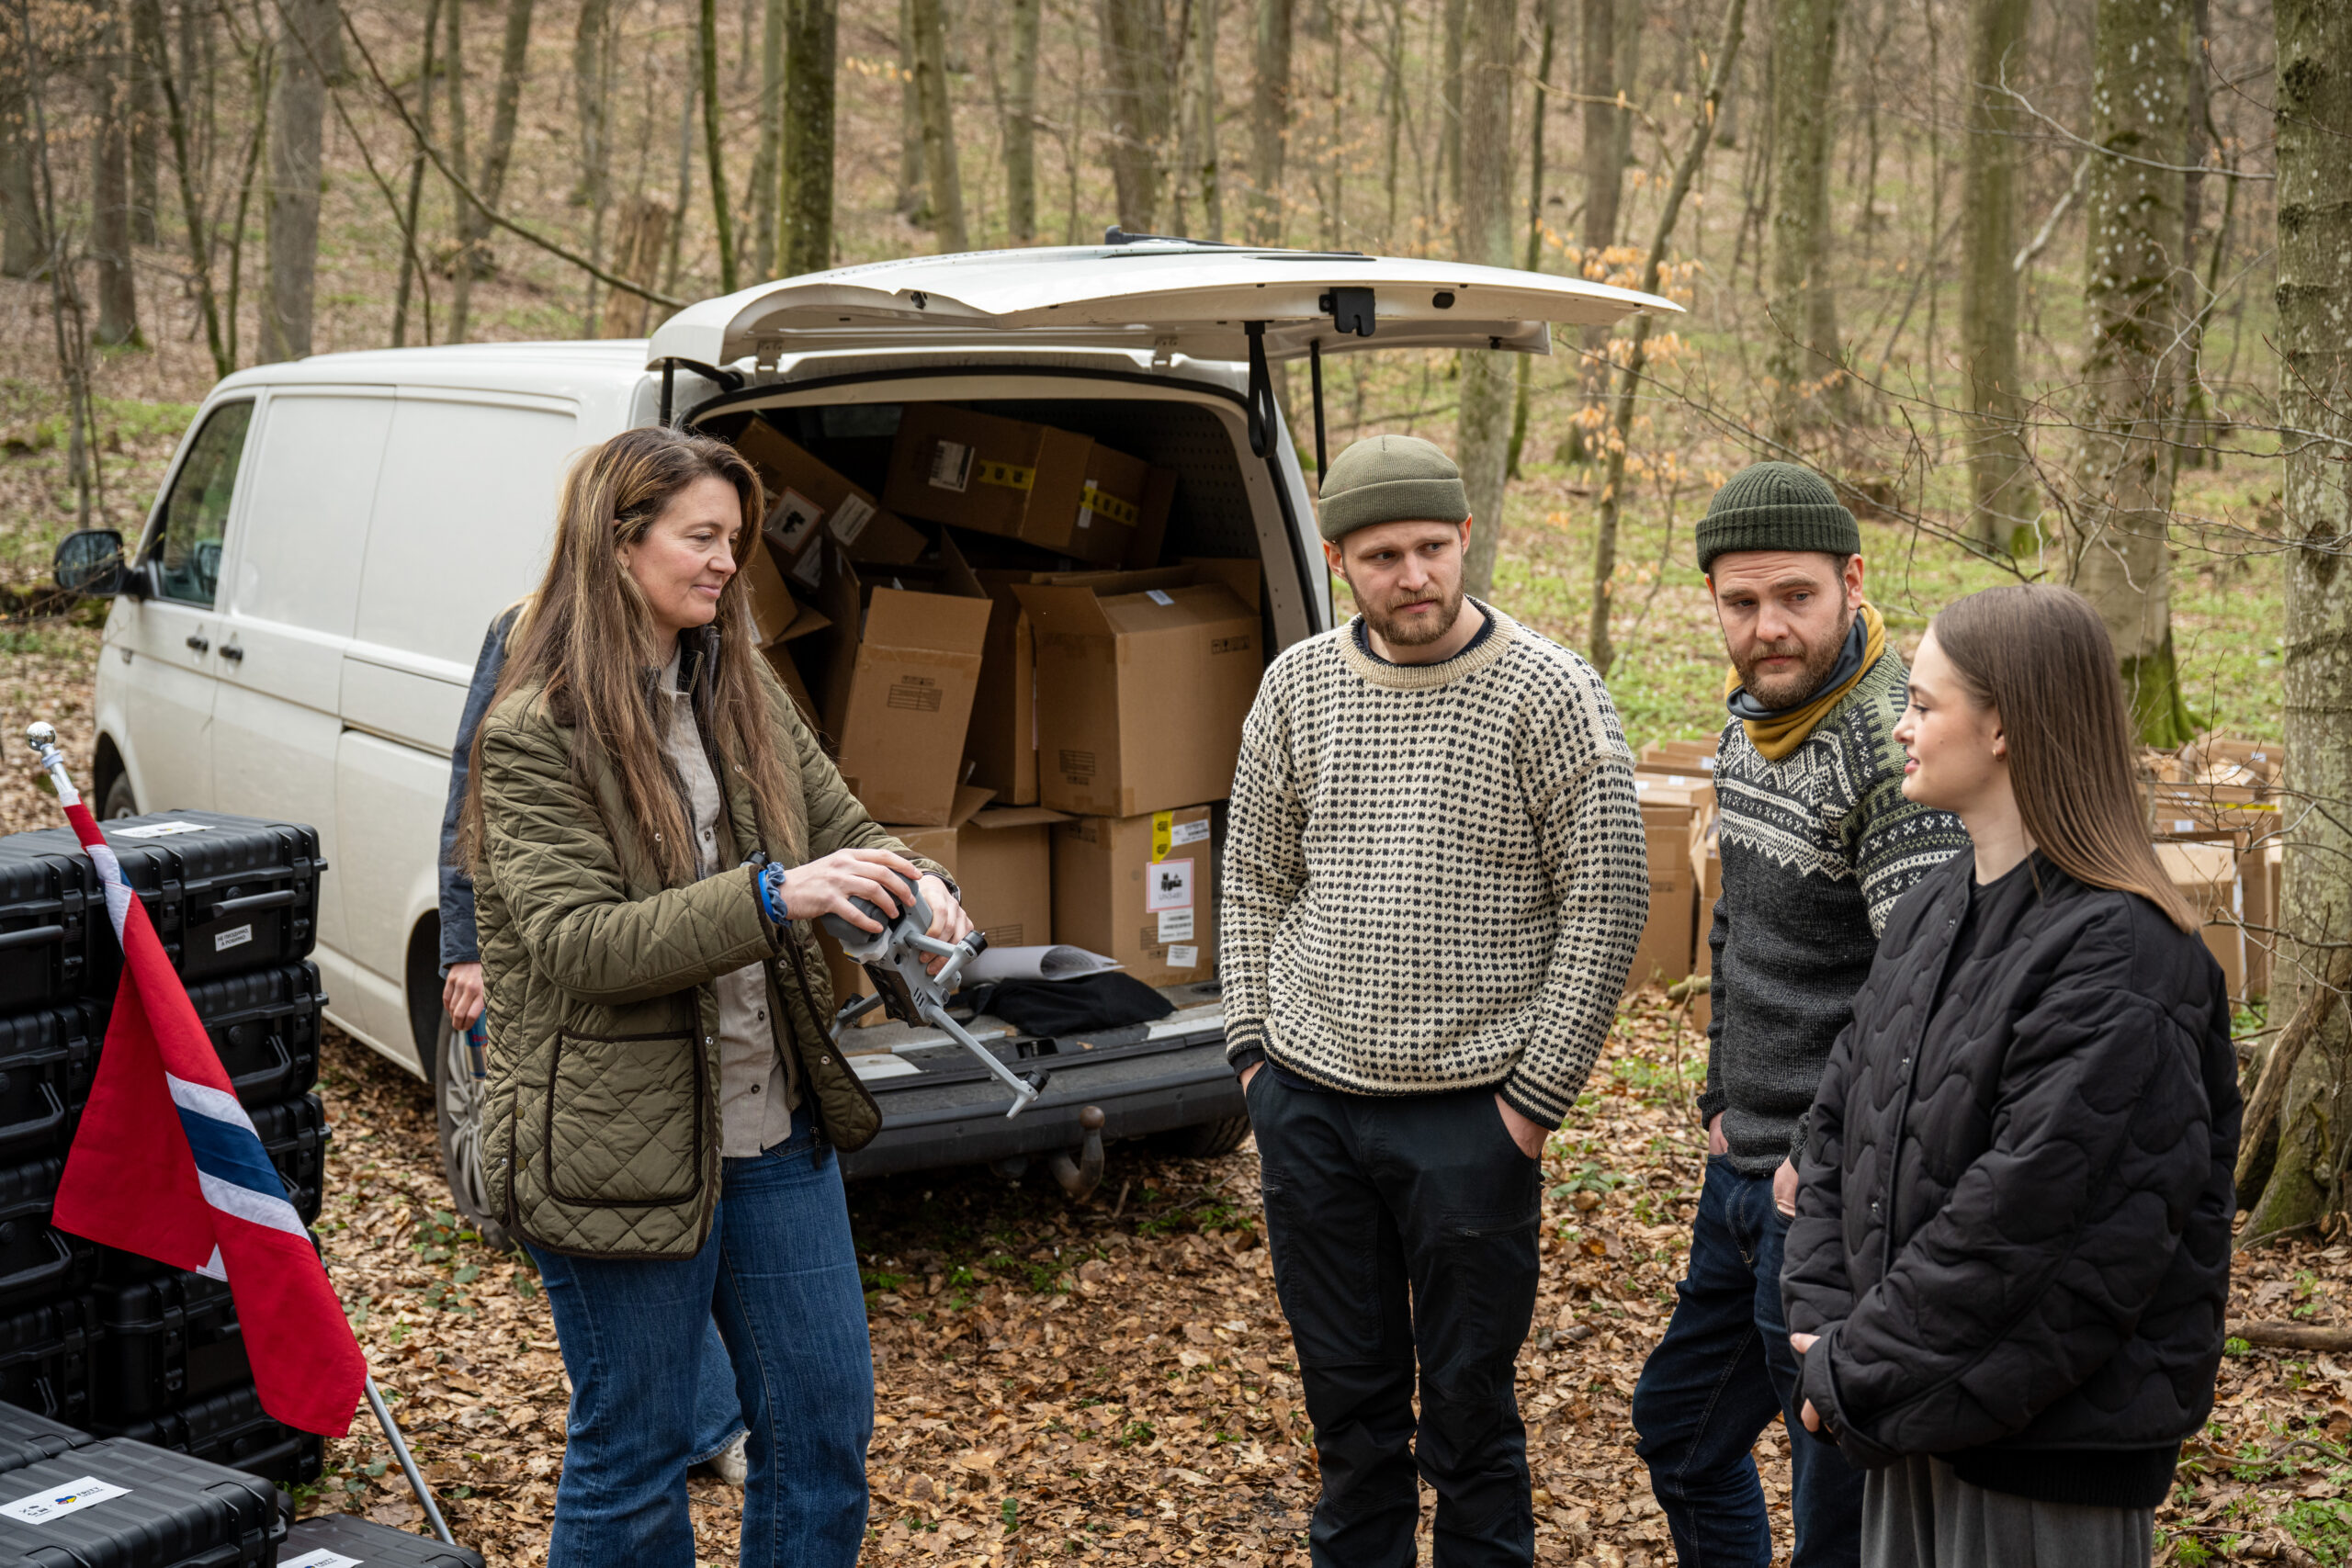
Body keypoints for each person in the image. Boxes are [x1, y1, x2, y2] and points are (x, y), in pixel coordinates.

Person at [461, 424, 972, 1567]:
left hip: (773, 1130)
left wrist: (918, 882)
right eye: (701, 537)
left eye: (734, 541)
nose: (726, 563)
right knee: (636, 1455)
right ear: (617, 541)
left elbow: (843, 825)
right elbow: (578, 944)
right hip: (612, 1145)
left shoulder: (739, 690)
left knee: (824, 1431)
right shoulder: (535, 731)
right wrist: (778, 895)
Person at [1222, 433, 1649, 1567]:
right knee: (1349, 1415)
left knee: (1469, 1415)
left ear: (1465, 539)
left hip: (1472, 1115)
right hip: (1309, 1103)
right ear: (1337, 561)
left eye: (1428, 547)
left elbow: (1606, 905)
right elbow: (1253, 874)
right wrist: (1253, 1054)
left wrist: (1530, 1104)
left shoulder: (1550, 692)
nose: (1411, 576)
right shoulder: (1298, 686)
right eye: (1379, 555)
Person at [1781, 583, 2240, 1568]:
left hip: (2042, 1462)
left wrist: (1853, 1369)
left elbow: (2026, 1231)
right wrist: (1821, 1327)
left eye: (1922, 703)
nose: (1899, 727)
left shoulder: (2125, 954)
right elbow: (1837, 1131)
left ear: (2002, 727)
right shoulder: (1934, 908)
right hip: (1913, 1423)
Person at [1631, 462, 1969, 1568]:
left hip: (1822, 1198)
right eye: (1741, 603)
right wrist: (1721, 1099)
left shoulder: (1888, 751)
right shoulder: (1755, 722)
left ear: (1852, 582)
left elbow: (1916, 1001)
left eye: (1795, 598)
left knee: (1833, 1497)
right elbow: (1734, 928)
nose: (1768, 628)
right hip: (1741, 1170)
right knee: (1681, 1433)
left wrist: (1819, 1159)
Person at [436, 600, 752, 1488]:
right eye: (701, 535)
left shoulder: (708, 652)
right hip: (568, 999)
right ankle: (702, 1423)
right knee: (621, 1338)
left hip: (687, 1010)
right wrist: (463, 945)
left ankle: (704, 1421)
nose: (724, 560)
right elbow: (472, 789)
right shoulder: (524, 627)